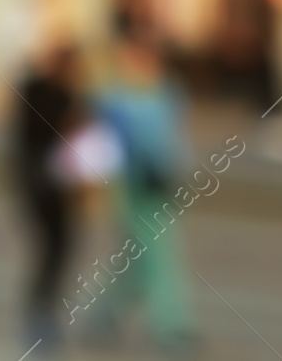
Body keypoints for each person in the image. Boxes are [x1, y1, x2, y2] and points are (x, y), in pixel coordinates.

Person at [90, 26, 197, 353]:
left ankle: (102, 316)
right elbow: (104, 148)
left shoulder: (167, 93)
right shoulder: (112, 99)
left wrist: (178, 172)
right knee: (157, 256)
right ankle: (171, 325)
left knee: (143, 259)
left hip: (160, 185)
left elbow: (175, 138)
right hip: (129, 187)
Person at [9, 43, 83, 348]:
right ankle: (38, 314)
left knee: (60, 251)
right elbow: (27, 141)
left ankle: (46, 312)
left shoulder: (70, 96)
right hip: (40, 186)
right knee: (48, 251)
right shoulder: (36, 92)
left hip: (63, 189)